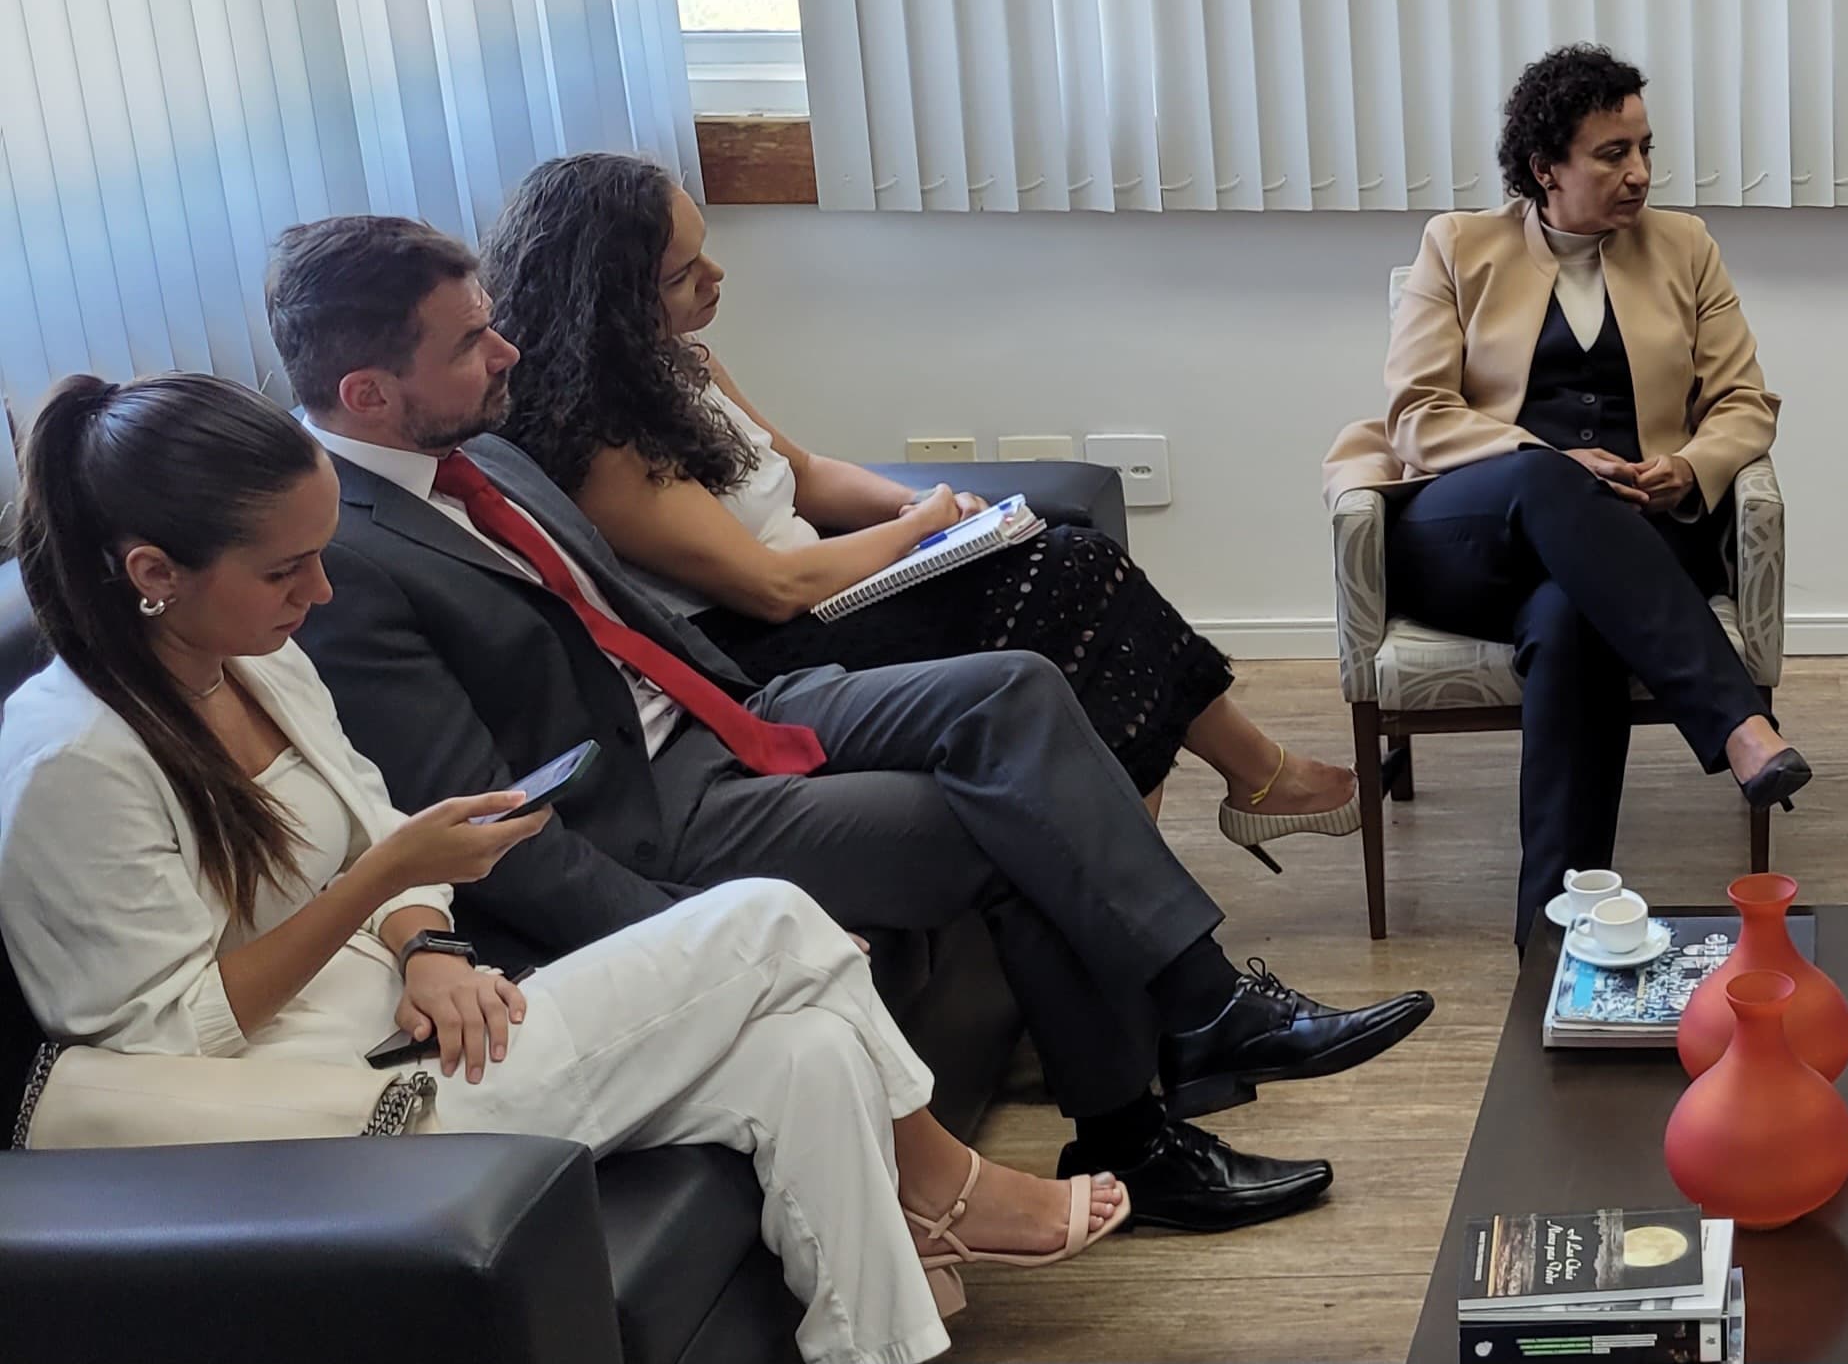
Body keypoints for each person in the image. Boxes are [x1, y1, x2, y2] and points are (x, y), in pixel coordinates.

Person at [269, 216, 1430, 1236]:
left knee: (1015, 683)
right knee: (1008, 823)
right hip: (659, 813)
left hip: (730, 706)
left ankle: (1204, 1001)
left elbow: (628, 620)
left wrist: (766, 689)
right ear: (369, 392)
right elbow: (483, 821)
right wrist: (694, 934)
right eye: (470, 340)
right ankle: (1138, 1134)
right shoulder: (346, 563)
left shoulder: (484, 449)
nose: (506, 348)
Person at [0, 373, 1132, 1364]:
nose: (321, 595)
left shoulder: (250, 658)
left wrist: (426, 940)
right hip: (331, 1117)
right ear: (154, 568)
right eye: (289, 568)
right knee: (774, 920)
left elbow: (374, 830)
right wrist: (382, 880)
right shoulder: (72, 760)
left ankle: (881, 1345)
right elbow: (164, 1032)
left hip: (424, 1023)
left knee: (811, 1048)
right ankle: (943, 1184)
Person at [480, 153, 1362, 864]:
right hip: (761, 648)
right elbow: (769, 586)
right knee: (1071, 573)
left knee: (1066, 557)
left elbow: (811, 474)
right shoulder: (595, 440)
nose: (716, 275)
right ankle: (1225, 799)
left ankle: (1169, 838)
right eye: (683, 273)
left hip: (827, 589)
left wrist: (922, 503)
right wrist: (919, 528)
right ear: (613, 302)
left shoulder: (684, 365)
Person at [1321, 44, 1802, 933]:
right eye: (1611, 153)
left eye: (1645, 148)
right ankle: (1736, 723)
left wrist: (1688, 468)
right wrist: (1539, 456)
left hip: (1631, 536)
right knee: (1546, 478)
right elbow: (1418, 413)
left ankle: (1554, 933)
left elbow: (1741, 401)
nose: (1639, 173)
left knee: (1571, 615)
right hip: (1470, 530)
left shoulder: (1685, 246)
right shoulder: (1458, 244)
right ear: (1545, 167)